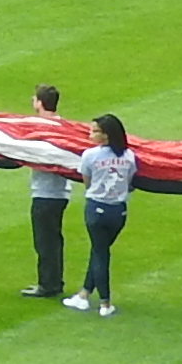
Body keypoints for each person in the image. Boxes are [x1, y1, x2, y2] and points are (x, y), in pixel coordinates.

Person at [71, 114, 134, 315]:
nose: (90, 134)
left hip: (96, 209)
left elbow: (87, 181)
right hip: (119, 211)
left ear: (106, 135)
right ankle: (84, 294)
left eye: (95, 131)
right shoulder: (129, 156)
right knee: (99, 251)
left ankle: (105, 303)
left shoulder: (90, 155)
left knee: (100, 254)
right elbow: (129, 181)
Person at [20, 80, 75, 301]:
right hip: (61, 192)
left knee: (45, 241)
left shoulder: (39, 129)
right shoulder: (65, 127)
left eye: (35, 98)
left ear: (40, 103)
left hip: (45, 192)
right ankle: (54, 281)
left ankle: (48, 284)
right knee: (53, 239)